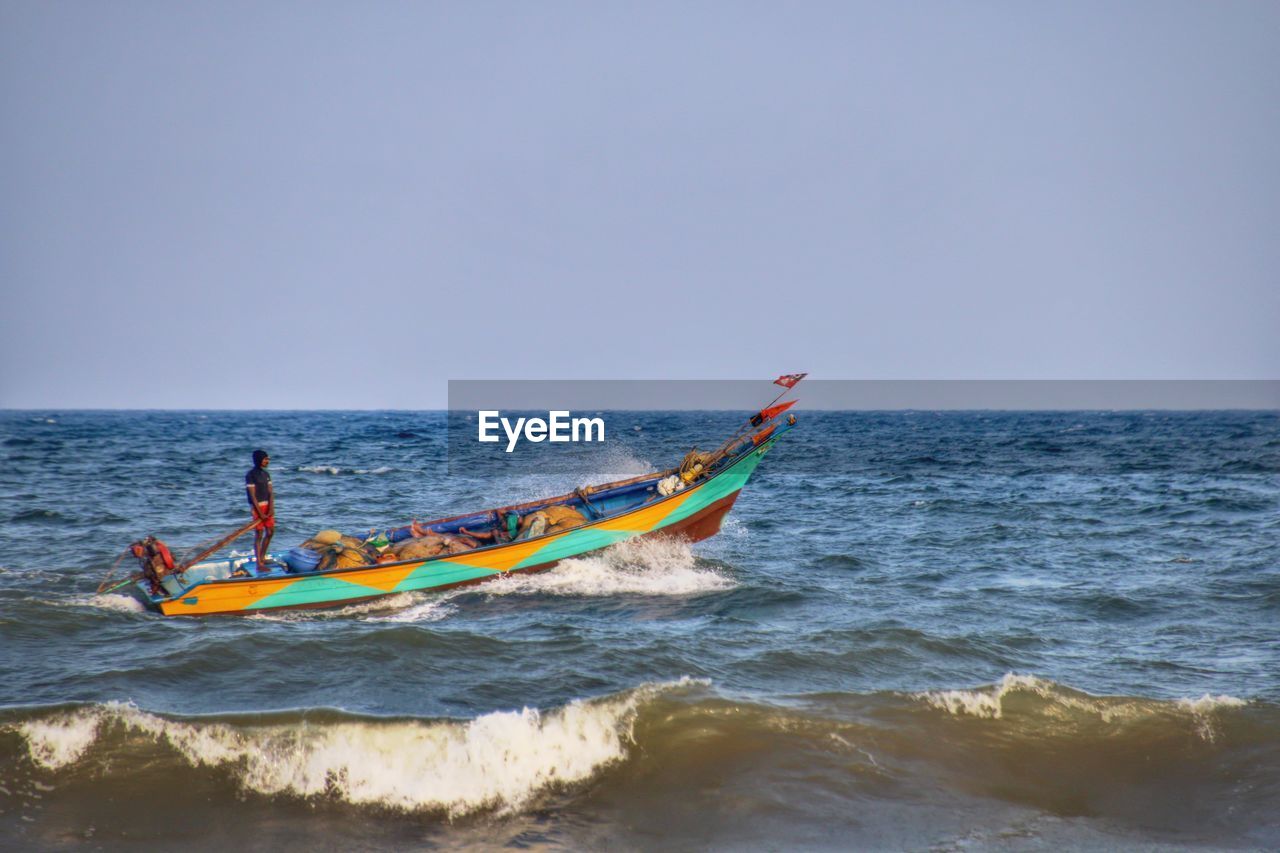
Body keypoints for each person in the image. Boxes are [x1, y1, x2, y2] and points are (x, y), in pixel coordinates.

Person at [245, 449, 274, 574]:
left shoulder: (266, 474)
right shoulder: (250, 475)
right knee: (259, 534)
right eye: (265, 459)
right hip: (257, 508)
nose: (267, 461)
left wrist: (271, 507)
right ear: (259, 460)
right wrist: (259, 512)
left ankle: (262, 557)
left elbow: (270, 492)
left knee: (270, 532)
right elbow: (252, 496)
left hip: (267, 506)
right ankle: (259, 563)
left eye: (268, 459)